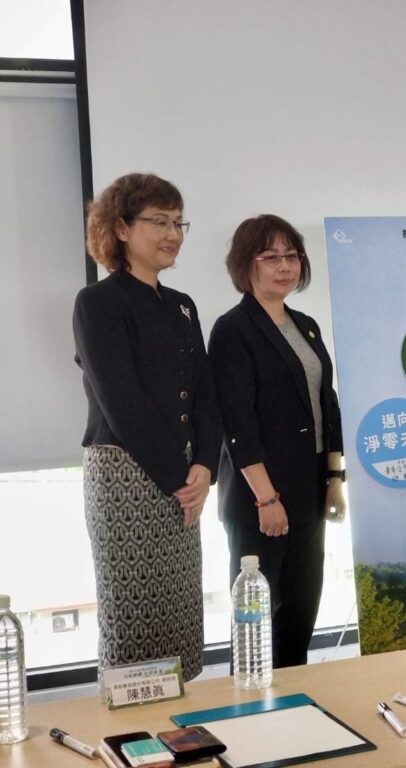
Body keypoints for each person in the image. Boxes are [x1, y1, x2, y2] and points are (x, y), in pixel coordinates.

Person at [73, 173, 221, 683]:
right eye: (159, 221)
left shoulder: (182, 305)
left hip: (185, 478)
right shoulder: (98, 302)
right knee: (133, 617)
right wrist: (182, 479)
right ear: (120, 228)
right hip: (126, 475)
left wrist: (205, 467)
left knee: (179, 614)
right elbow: (122, 403)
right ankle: (134, 728)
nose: (173, 234)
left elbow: (206, 396)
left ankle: (181, 722)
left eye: (178, 223)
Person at [208, 214, 345, 668]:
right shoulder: (234, 329)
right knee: (257, 623)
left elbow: (327, 405)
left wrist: (335, 479)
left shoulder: (305, 325)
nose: (284, 266)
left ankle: (295, 701)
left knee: (300, 613)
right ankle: (251, 704)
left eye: (292, 256)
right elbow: (237, 422)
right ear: (245, 264)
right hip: (260, 497)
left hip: (309, 488)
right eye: (270, 257)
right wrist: (266, 499)